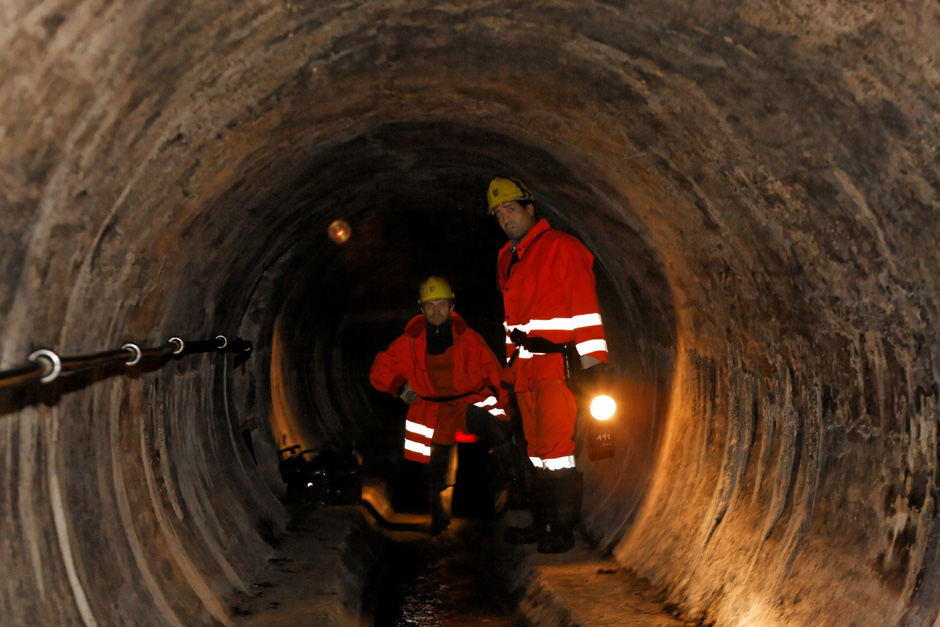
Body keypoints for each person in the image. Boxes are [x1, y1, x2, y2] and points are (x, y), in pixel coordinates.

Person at [487, 176, 610, 553]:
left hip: (557, 366)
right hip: (525, 370)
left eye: (511, 209)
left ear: (530, 208)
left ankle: (561, 527)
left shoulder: (561, 247)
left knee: (557, 451)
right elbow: (512, 322)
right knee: (536, 451)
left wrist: (595, 367)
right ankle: (542, 523)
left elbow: (585, 309)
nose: (505, 218)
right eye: (498, 213)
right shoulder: (507, 257)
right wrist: (509, 373)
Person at [370, 276, 514, 534]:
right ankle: (439, 510)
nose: (436, 311)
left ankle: (513, 490)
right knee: (437, 463)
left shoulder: (469, 339)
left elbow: (495, 372)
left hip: (467, 402)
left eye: (442, 305)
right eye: (430, 306)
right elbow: (379, 370)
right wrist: (400, 386)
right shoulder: (409, 342)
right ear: (422, 309)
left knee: (499, 433)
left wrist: (508, 408)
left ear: (451, 307)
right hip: (432, 408)